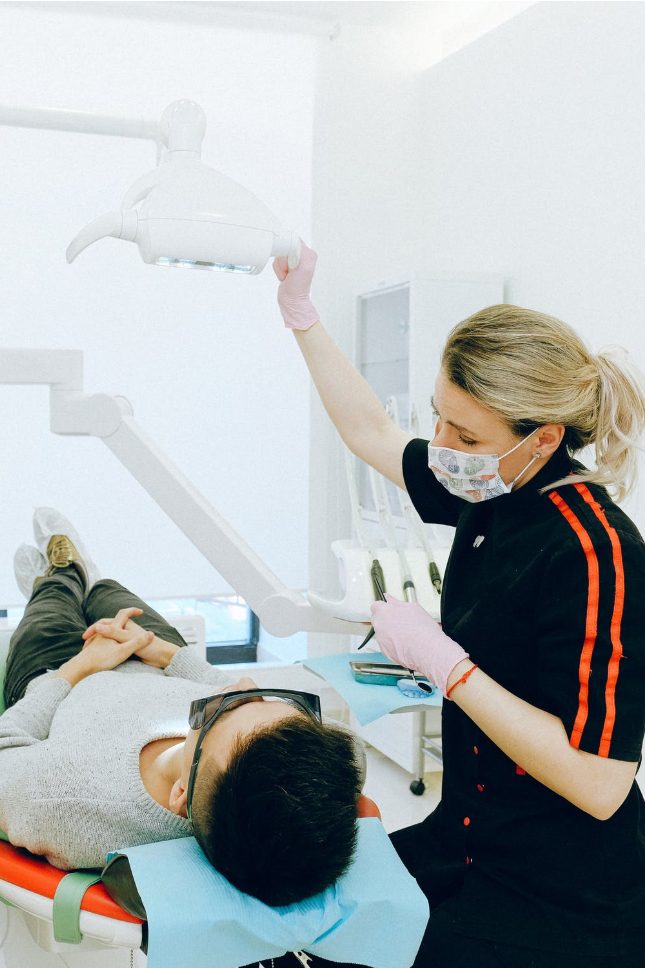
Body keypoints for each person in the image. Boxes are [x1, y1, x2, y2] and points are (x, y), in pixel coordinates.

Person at [272, 243, 645, 966]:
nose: (440, 447)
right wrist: (303, 318)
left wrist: (447, 665)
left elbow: (600, 784)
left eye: (463, 435)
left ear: (542, 439)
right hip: (467, 839)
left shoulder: (596, 552)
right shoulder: (490, 486)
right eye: (439, 418)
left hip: (562, 892)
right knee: (299, 910)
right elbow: (371, 433)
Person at [0, 508, 364, 906]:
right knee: (109, 592)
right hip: (152, 656)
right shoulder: (258, 781)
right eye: (271, 698)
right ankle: (89, 578)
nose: (241, 683)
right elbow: (354, 757)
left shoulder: (62, 799)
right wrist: (164, 653)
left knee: (54, 598)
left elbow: (6, 748)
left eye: (229, 706)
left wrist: (80, 666)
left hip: (56, 673)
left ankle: (59, 574)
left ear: (180, 794)